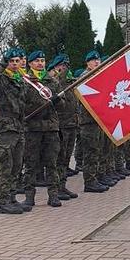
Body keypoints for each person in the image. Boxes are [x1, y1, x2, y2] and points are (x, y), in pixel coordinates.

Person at [0, 47, 30, 214]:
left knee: (17, 165)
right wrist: (1, 67)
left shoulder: (20, 79)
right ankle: (2, 201)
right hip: (6, 127)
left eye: (17, 61)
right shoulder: (1, 78)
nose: (15, 64)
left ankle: (12, 197)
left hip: (19, 125)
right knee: (6, 165)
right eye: (12, 61)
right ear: (6, 62)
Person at [21, 50, 64, 207]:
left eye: (43, 60)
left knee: (51, 164)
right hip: (32, 128)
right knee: (31, 164)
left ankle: (53, 195)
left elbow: (63, 104)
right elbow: (21, 103)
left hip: (51, 128)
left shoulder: (51, 81)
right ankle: (29, 196)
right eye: (37, 61)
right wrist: (37, 104)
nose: (40, 63)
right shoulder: (25, 81)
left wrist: (57, 100)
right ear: (30, 63)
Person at [76, 51, 110, 193]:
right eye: (93, 60)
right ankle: (89, 181)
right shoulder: (85, 77)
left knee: (99, 150)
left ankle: (98, 176)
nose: (97, 62)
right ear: (87, 63)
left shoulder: (99, 76)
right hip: (88, 121)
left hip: (99, 120)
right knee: (91, 151)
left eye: (98, 60)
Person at [48, 53, 80, 201]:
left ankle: (62, 185)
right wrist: (60, 76)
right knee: (58, 159)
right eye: (61, 66)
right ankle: (55, 189)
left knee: (66, 159)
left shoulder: (70, 82)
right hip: (60, 125)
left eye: (66, 65)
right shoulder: (54, 81)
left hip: (72, 124)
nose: (64, 68)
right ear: (55, 67)